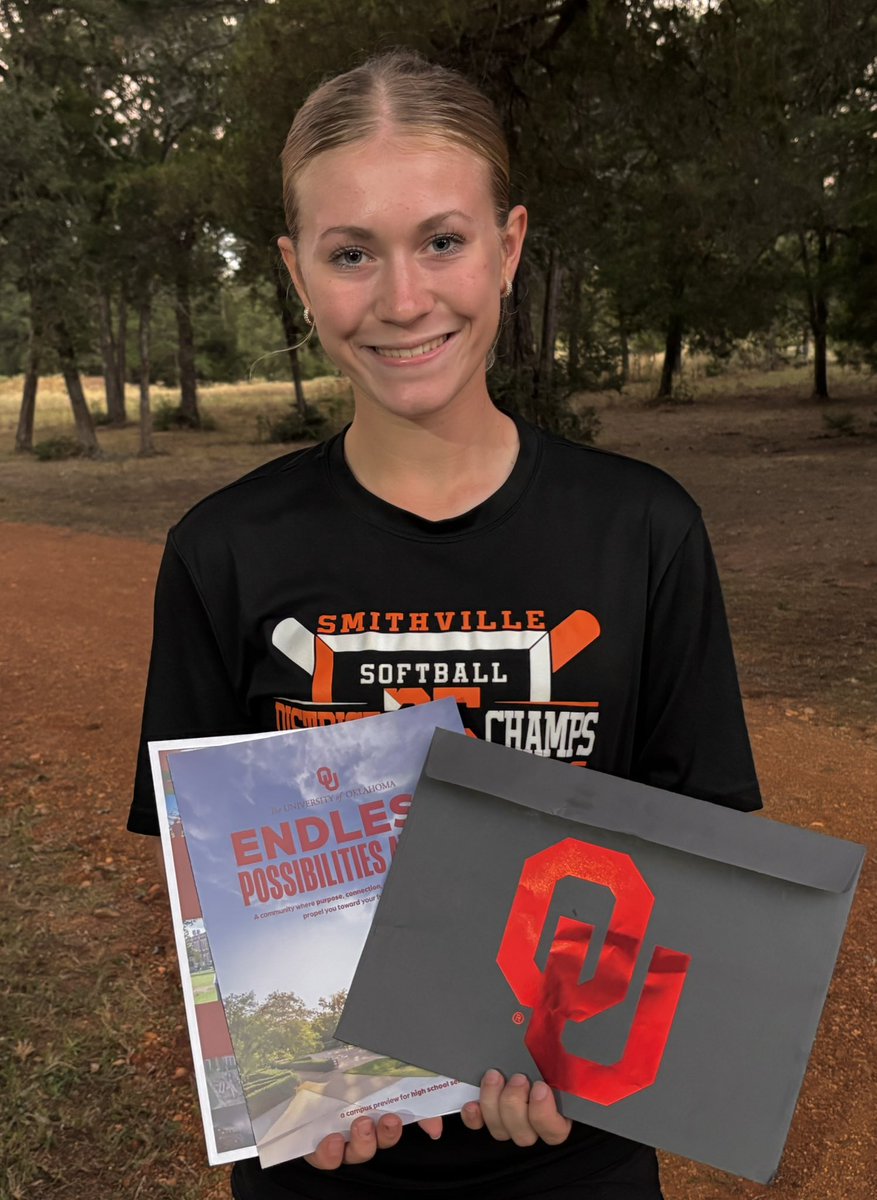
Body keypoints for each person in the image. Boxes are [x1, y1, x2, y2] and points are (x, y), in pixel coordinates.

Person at [128, 49, 761, 1200]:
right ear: (295, 271)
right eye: (351, 253)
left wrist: (581, 1056)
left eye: (442, 240)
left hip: (577, 1161)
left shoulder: (643, 531)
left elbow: (702, 863)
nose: (403, 300)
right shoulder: (223, 552)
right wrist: (286, 1073)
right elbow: (204, 898)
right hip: (325, 1166)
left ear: (509, 246)